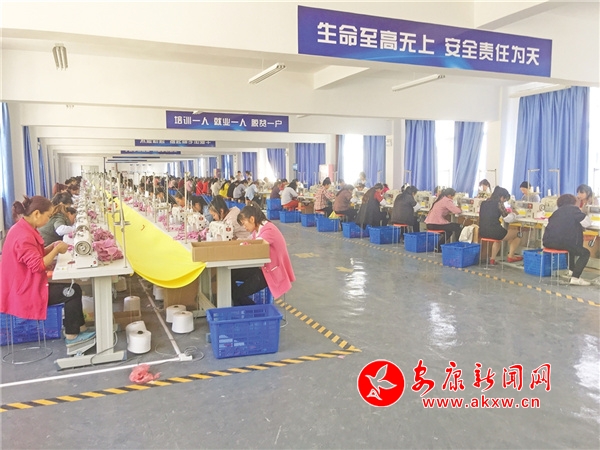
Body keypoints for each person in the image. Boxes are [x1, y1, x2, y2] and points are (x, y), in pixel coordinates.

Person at [0, 196, 95, 346]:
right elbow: (38, 265)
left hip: (25, 285)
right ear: (37, 213)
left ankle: (81, 329)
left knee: (74, 289)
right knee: (72, 291)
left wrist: (52, 247)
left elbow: (34, 255)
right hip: (25, 292)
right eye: (48, 216)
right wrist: (56, 250)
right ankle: (72, 336)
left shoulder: (24, 228)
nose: (48, 220)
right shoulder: (23, 236)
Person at [231, 204, 295, 306]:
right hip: (262, 268)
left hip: (269, 272)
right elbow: (251, 242)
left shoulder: (269, 230)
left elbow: (256, 246)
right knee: (231, 274)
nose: (244, 227)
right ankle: (242, 305)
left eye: (244, 223)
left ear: (252, 219)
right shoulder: (258, 230)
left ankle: (254, 311)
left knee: (236, 295)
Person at [543, 194, 592, 286]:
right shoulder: (574, 210)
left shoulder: (556, 212)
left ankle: (571, 271)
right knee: (585, 253)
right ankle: (575, 278)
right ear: (573, 202)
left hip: (548, 242)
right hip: (563, 243)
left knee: (569, 248)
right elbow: (587, 223)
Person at [478, 186, 522, 265]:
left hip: (482, 232)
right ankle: (511, 256)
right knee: (518, 233)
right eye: (504, 200)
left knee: (498, 236)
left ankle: (492, 259)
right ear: (502, 197)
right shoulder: (499, 203)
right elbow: (507, 219)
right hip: (495, 233)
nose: (504, 202)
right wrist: (514, 214)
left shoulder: (483, 203)